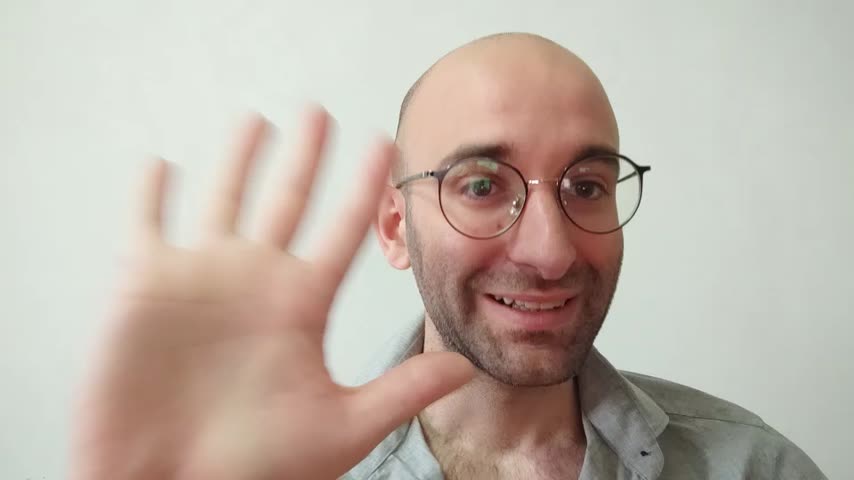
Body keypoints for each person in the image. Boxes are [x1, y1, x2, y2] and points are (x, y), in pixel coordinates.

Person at [72, 33, 827, 479]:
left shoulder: (752, 466)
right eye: (481, 185)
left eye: (587, 186)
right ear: (395, 227)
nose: (551, 251)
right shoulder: (283, 472)